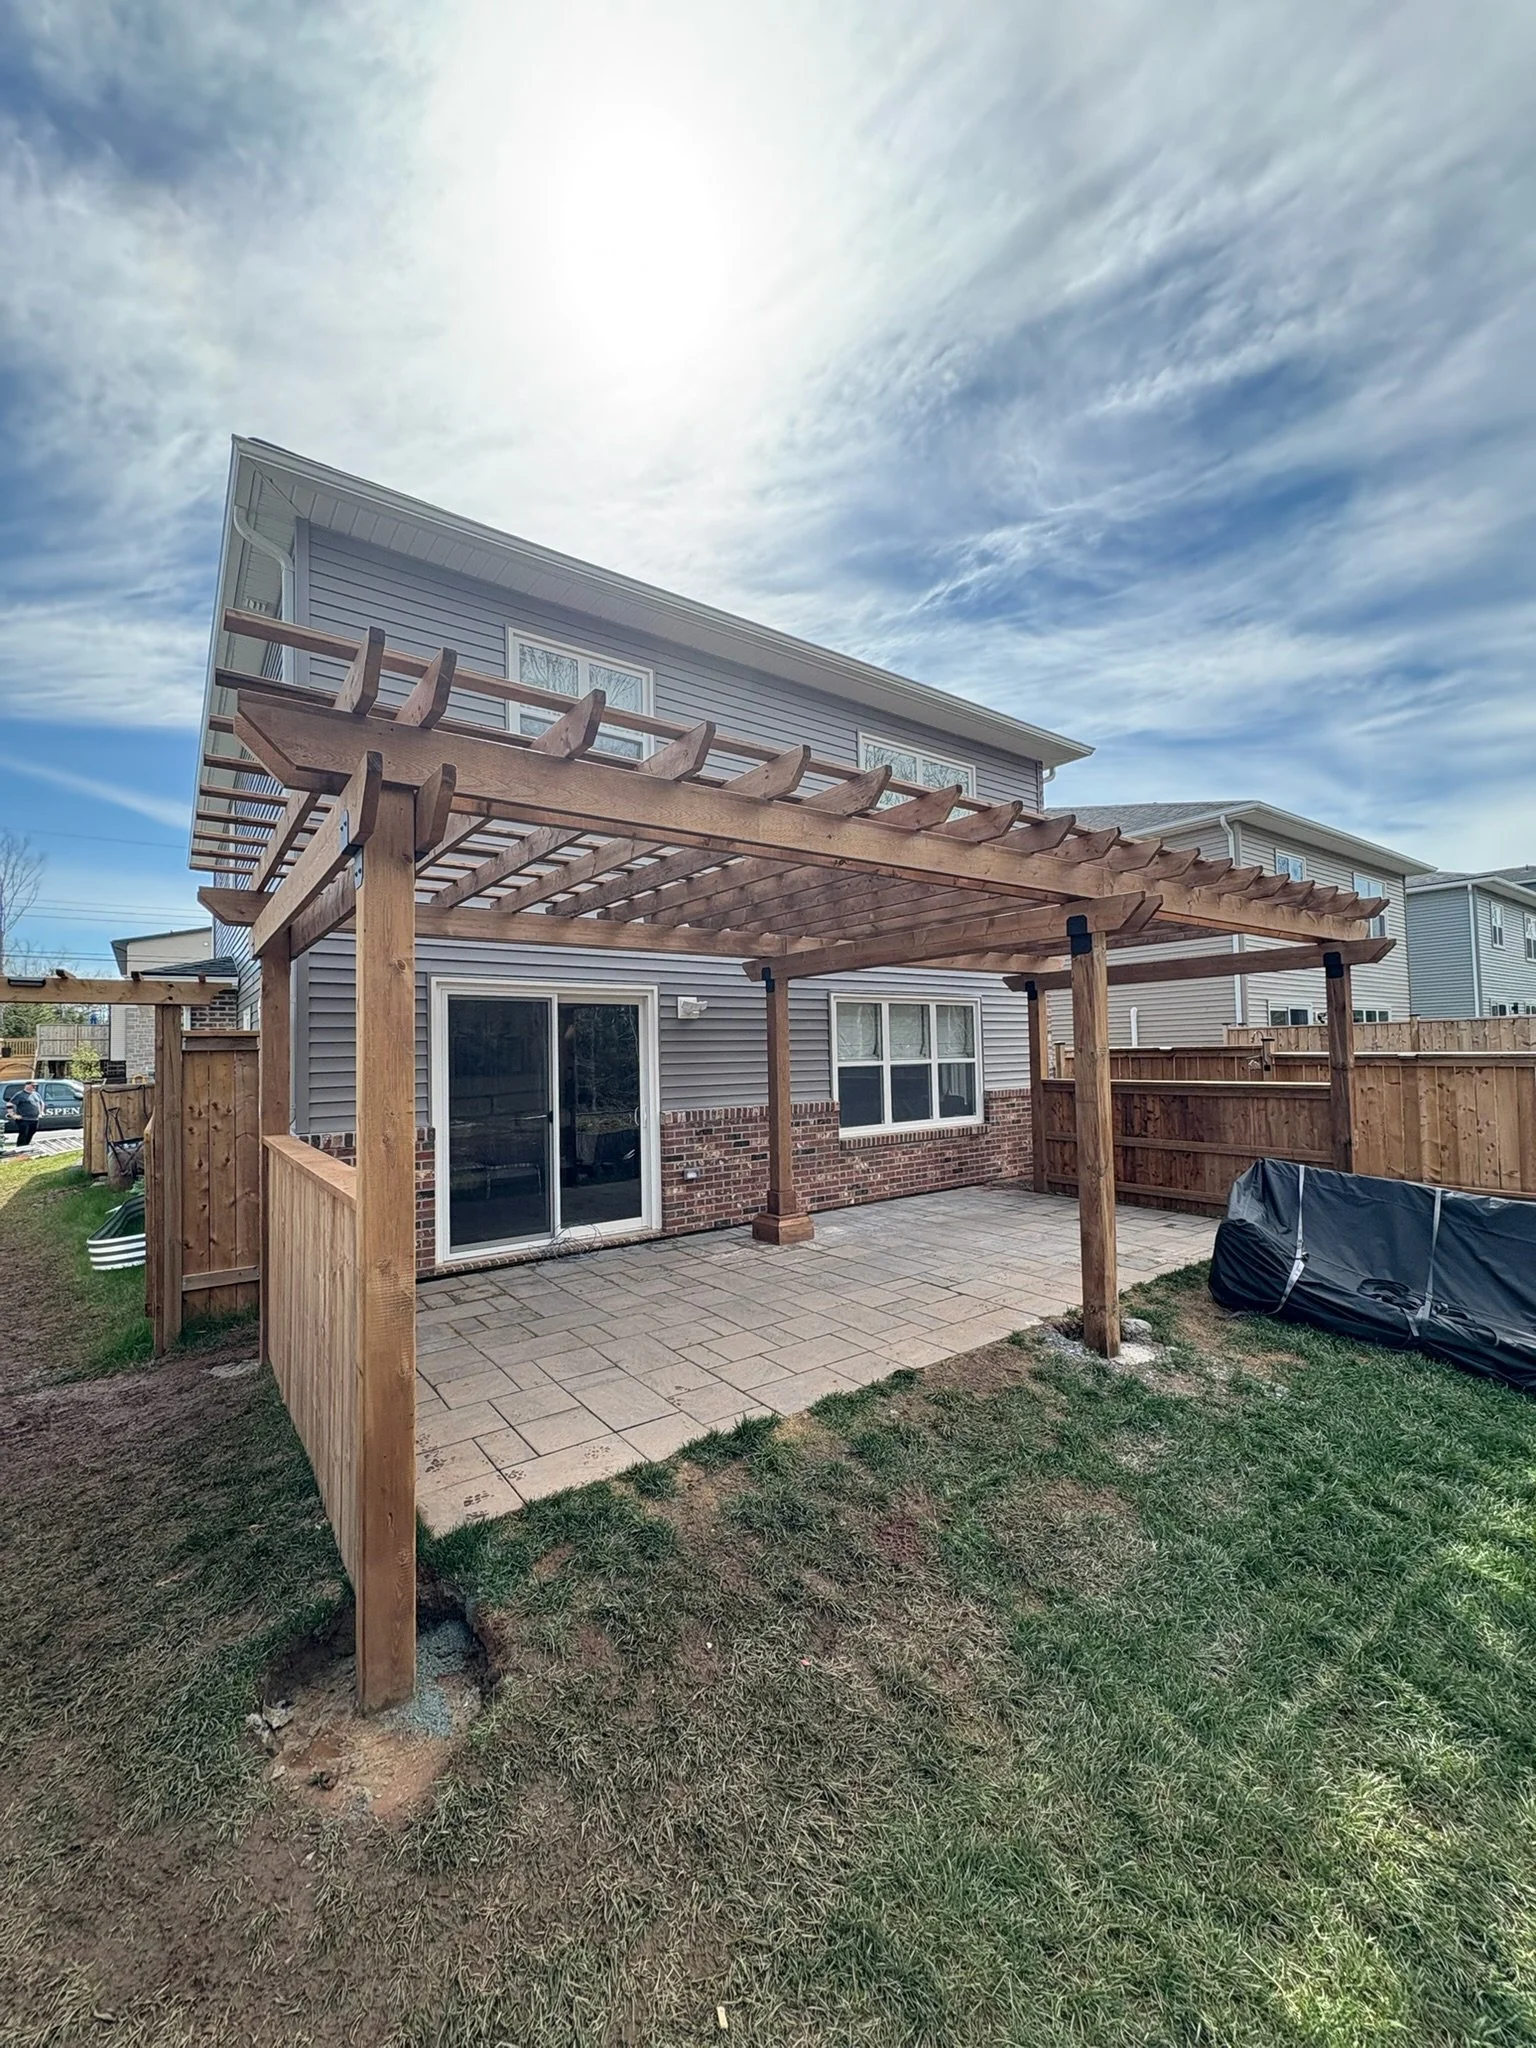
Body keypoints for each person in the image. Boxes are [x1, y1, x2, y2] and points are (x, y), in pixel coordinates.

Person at [11, 1081, 42, 1148]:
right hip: (24, 1119)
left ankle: (26, 1146)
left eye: (35, 1086)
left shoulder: (36, 1094)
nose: (35, 1087)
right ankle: (20, 1148)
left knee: (32, 1132)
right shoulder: (19, 1095)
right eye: (33, 1086)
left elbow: (41, 1103)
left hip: (35, 1119)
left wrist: (41, 1112)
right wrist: (13, 1115)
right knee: (23, 1134)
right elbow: (10, 1104)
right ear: (27, 1086)